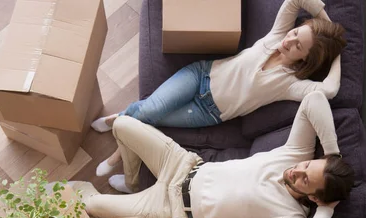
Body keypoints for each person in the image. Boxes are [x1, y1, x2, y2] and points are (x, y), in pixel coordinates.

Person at [91, 0, 348, 179]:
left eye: (298, 46)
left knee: (148, 118)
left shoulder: (290, 84)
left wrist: (335, 57)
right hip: (199, 75)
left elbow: (329, 90)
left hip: (206, 112)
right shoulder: (276, 36)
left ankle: (118, 123)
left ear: (306, 59)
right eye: (295, 33)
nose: (289, 41)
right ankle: (118, 154)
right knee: (150, 110)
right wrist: (323, 23)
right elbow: (296, 0)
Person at [71, 91, 355, 218]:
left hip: (172, 212)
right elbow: (314, 100)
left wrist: (325, 212)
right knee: (121, 124)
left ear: (315, 197)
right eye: (308, 165)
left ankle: (62, 192)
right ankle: (132, 182)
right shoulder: (295, 155)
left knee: (92, 205)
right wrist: (332, 154)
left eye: (306, 179)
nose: (297, 171)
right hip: (182, 164)